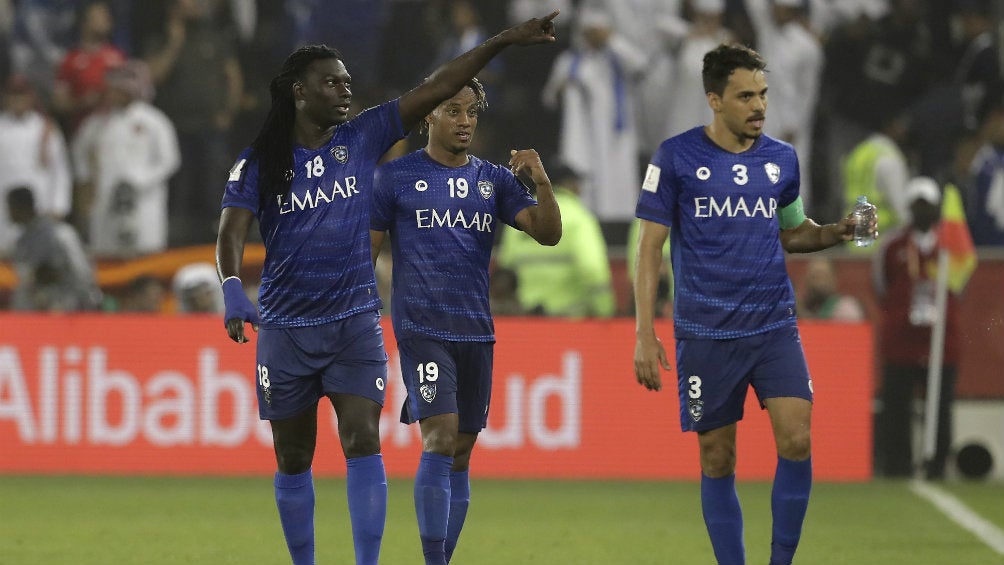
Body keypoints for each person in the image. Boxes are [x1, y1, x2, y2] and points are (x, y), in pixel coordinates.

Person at [215, 12, 559, 565]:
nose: (346, 90)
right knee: (294, 456)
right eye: (333, 81)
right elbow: (231, 229)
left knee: (361, 439)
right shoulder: (261, 161)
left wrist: (502, 42)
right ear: (299, 92)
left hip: (354, 322)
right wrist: (233, 286)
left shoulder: (364, 136)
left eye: (349, 81)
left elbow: (441, 86)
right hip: (285, 328)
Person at [632, 43, 874, 565]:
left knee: (798, 440)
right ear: (714, 100)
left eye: (763, 94)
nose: (759, 106)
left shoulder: (781, 159)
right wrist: (644, 332)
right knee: (718, 457)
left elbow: (793, 233)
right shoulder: (676, 157)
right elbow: (650, 246)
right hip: (706, 333)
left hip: (773, 327)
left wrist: (836, 230)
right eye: (746, 96)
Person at [369, 77, 561, 565]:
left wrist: (541, 182)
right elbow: (364, 255)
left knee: (461, 450)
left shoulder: (493, 180)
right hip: (421, 328)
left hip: (475, 330)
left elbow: (547, 234)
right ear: (429, 115)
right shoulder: (394, 178)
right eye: (453, 110)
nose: (465, 121)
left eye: (472, 112)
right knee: (440, 435)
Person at [872, 176, 962, 479]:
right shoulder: (894, 245)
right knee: (897, 405)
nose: (924, 210)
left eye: (929, 205)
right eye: (918, 205)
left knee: (941, 406)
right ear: (910, 208)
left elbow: (960, 284)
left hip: (940, 339)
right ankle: (897, 465)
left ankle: (937, 463)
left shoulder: (950, 246)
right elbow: (881, 285)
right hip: (901, 339)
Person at [71, 60, 180, 258]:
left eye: (117, 90)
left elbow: (170, 160)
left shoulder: (154, 121)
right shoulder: (96, 123)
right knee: (106, 251)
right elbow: (80, 153)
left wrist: (139, 180)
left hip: (143, 199)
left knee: (144, 250)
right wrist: (86, 181)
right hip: (104, 197)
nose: (111, 94)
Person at [496, 163, 614, 317]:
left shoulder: (522, 212)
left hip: (527, 319)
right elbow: (592, 269)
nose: (580, 188)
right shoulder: (579, 216)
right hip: (570, 320)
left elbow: (506, 268)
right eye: (576, 182)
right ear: (567, 184)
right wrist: (605, 310)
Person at [6, 186, 101, 312]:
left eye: (10, 207)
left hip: (66, 309)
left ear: (21, 206)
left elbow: (82, 273)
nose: (8, 213)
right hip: (36, 313)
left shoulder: (60, 234)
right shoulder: (22, 241)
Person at [796, 256, 865, 322]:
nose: (819, 282)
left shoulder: (846, 308)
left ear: (834, 279)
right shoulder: (798, 309)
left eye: (824, 276)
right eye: (815, 276)